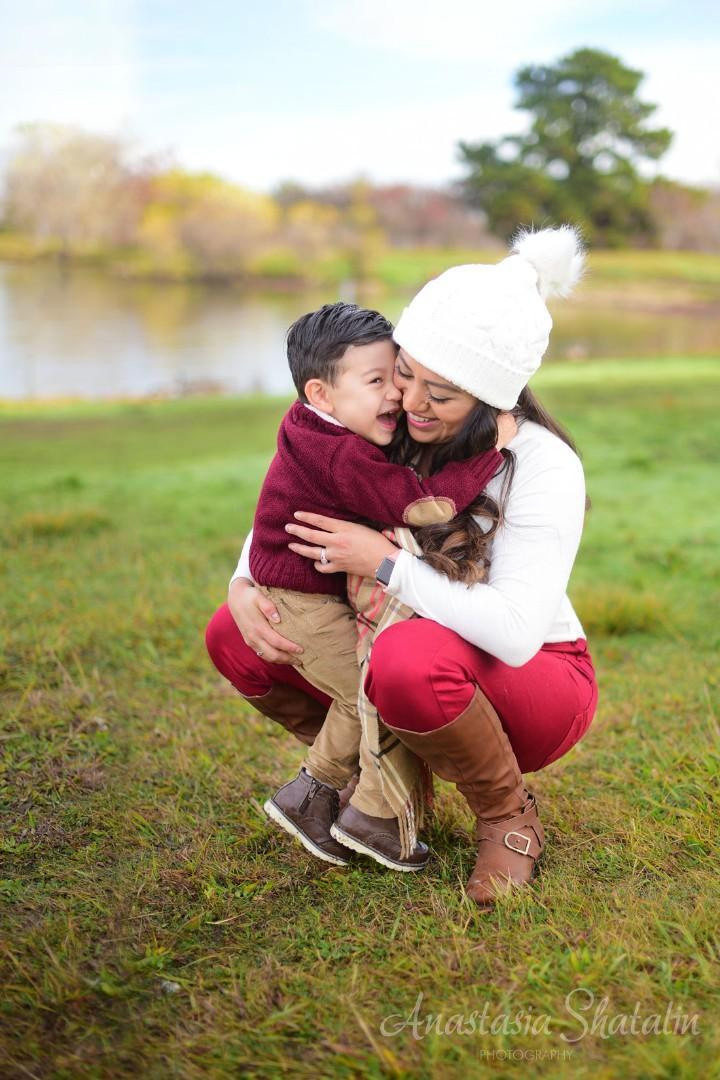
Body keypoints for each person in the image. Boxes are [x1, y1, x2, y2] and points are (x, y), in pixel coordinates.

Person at [206, 224, 598, 907]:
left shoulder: (541, 464)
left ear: (492, 398)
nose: (409, 403)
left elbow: (512, 632)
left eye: (438, 395)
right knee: (234, 631)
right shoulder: (389, 427)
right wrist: (243, 581)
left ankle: (507, 818)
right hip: (410, 655)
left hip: (533, 677)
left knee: (406, 655)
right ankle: (381, 785)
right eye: (403, 374)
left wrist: (386, 565)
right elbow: (291, 497)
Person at [225, 301, 512, 870]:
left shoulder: (312, 424)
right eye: (377, 380)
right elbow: (420, 505)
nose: (396, 397)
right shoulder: (339, 453)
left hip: (305, 594)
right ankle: (355, 812)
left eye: (397, 375)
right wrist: (492, 453)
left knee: (370, 689)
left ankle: (320, 800)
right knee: (376, 693)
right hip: (298, 606)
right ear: (322, 394)